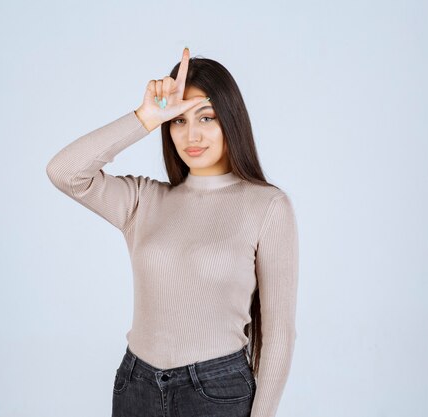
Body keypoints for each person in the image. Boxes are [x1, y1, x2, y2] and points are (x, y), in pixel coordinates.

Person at [46, 47, 299, 417]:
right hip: (137, 386)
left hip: (217, 392)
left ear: (231, 120)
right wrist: (145, 117)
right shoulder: (143, 200)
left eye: (206, 117)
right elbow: (65, 172)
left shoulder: (267, 207)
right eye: (179, 121)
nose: (191, 134)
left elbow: (278, 334)